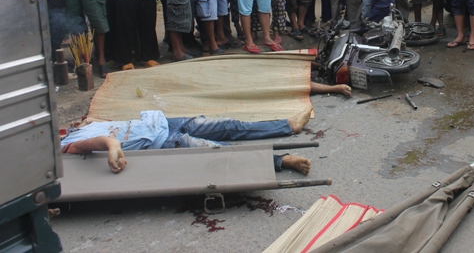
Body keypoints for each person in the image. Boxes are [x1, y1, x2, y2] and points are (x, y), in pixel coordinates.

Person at [61, 107, 316, 175]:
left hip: (164, 121)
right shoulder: (66, 148)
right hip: (163, 142)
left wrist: (85, 124)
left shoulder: (74, 130)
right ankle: (280, 161)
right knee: (219, 151)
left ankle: (288, 125)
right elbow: (86, 146)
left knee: (229, 125)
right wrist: (109, 143)